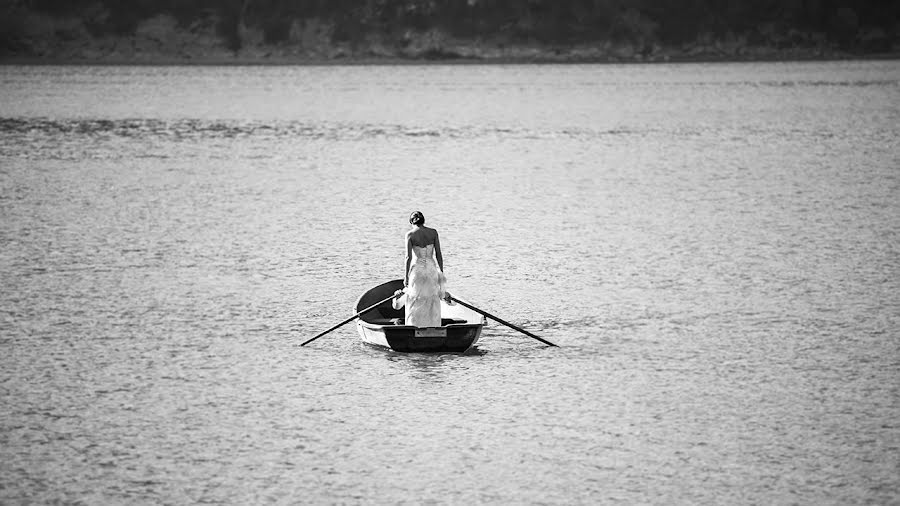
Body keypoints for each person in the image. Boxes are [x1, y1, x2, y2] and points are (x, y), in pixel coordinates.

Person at [392, 211, 450, 327]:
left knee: (414, 298)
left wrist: (406, 278)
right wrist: (441, 273)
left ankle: (414, 326)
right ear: (423, 221)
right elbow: (438, 254)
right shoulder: (433, 232)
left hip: (417, 270)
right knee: (432, 297)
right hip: (431, 269)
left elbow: (408, 257)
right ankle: (433, 326)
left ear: (411, 222)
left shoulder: (410, 234)